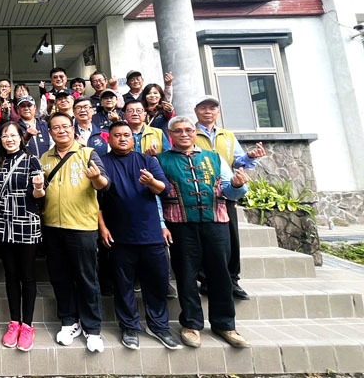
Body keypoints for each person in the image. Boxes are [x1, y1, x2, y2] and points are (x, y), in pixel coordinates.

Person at [158, 116, 251, 349]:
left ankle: (225, 323)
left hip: (216, 223)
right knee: (186, 274)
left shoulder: (214, 158)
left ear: (195, 133)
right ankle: (191, 324)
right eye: (178, 131)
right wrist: (161, 224)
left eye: (188, 130)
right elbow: (156, 197)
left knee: (220, 274)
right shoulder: (161, 160)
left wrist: (237, 185)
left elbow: (229, 191)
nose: (184, 134)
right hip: (180, 224)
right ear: (170, 135)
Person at [98, 121, 182, 350]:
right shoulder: (102, 163)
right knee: (123, 285)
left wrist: (151, 182)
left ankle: (159, 326)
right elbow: (96, 200)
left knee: (156, 282)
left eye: (126, 135)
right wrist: (102, 227)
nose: (122, 138)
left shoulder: (148, 161)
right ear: (109, 139)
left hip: (150, 233)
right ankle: (129, 327)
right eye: (117, 135)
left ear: (133, 138)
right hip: (118, 236)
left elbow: (164, 189)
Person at [41, 112, 110, 353]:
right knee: (60, 276)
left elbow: (104, 185)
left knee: (86, 277)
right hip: (52, 226)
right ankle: (69, 321)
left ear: (73, 129)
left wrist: (96, 178)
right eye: (56, 128)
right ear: (50, 133)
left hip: (82, 227)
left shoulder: (88, 153)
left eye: (65, 126)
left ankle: (93, 327)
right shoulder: (44, 158)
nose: (61, 131)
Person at [194, 95, 266, 301]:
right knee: (204, 238)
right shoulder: (190, 132)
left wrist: (250, 157)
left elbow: (237, 161)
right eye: (203, 108)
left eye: (212, 108)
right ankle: (206, 280)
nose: (208, 111)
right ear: (196, 111)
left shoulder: (227, 136)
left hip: (227, 191)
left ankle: (232, 279)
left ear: (218, 112)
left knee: (231, 236)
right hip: (200, 191)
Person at [0, 122, 45, 351]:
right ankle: (14, 322)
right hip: (4, 223)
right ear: (0, 139)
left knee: (27, 275)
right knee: (11, 274)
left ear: (21, 138)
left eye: (13, 135)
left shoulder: (32, 160)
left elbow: (40, 196)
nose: (9, 139)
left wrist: (39, 188)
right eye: (5, 136)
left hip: (27, 223)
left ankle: (27, 325)